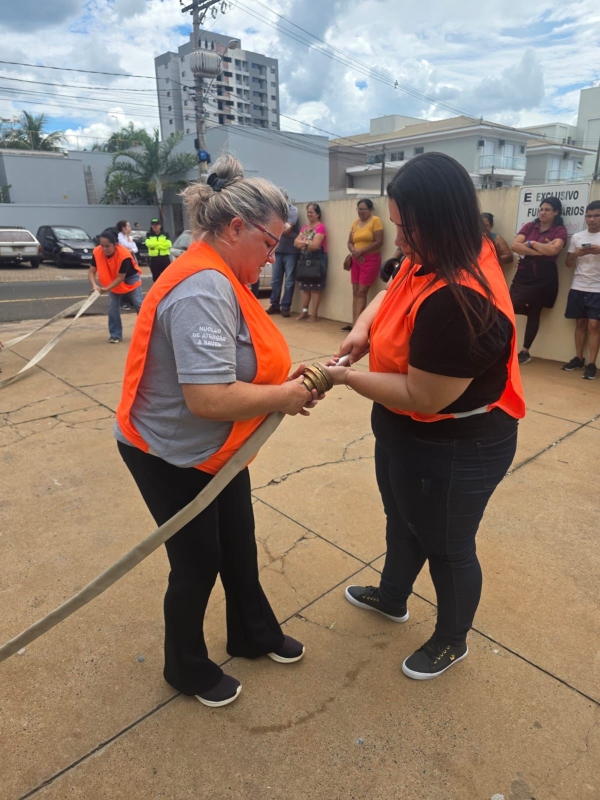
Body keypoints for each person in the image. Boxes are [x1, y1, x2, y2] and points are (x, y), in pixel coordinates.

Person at [114, 156, 321, 708]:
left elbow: (238, 361)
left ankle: (252, 633)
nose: (273, 256)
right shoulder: (203, 286)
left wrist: (283, 381)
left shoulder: (224, 273)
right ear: (235, 228)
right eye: (270, 243)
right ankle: (184, 667)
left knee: (238, 545)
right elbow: (207, 398)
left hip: (217, 449)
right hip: (169, 453)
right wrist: (283, 397)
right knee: (197, 563)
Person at [322, 152, 525, 681]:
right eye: (397, 225)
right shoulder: (433, 252)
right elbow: (390, 290)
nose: (400, 240)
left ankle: (451, 640)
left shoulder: (463, 303)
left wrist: (344, 377)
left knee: (448, 546)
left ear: (441, 221)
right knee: (403, 521)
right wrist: (362, 330)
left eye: (407, 229)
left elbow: (424, 394)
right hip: (403, 431)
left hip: (458, 444)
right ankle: (392, 596)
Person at [510, 198, 567, 365]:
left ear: (556, 212)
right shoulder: (530, 226)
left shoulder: (559, 230)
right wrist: (541, 250)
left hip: (545, 275)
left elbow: (554, 250)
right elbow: (515, 246)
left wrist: (531, 243)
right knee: (510, 304)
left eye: (547, 209)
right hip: (525, 272)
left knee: (535, 312)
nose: (542, 212)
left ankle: (525, 351)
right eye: (541, 209)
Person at [562, 200, 600, 380]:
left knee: (594, 325)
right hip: (578, 286)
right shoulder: (577, 237)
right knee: (580, 323)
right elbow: (568, 264)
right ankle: (579, 358)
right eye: (589, 216)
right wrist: (576, 254)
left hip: (597, 288)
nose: (592, 219)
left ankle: (592, 364)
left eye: (596, 216)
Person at [88, 228, 143, 343]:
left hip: (129, 278)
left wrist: (105, 289)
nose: (104, 249)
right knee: (112, 306)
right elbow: (91, 272)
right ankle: (115, 334)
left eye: (107, 246)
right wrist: (94, 285)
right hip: (112, 279)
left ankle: (146, 332)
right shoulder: (97, 252)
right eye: (102, 245)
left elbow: (120, 278)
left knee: (138, 303)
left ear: (115, 244)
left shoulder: (124, 255)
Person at [341, 199, 384, 331]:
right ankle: (354, 322)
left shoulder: (375, 221)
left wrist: (361, 251)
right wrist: (354, 251)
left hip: (369, 260)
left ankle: (358, 326)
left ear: (370, 210)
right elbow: (350, 241)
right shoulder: (355, 222)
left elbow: (379, 241)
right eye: (359, 209)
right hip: (356, 260)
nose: (361, 212)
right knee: (355, 291)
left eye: (364, 209)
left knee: (362, 291)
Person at [266, 189, 300, 318]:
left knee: (289, 280)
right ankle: (274, 305)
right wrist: (280, 230)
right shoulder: (274, 210)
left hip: (291, 251)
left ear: (286, 198)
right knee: (275, 280)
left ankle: (285, 307)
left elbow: (288, 229)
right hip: (278, 250)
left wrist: (276, 231)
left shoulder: (292, 210)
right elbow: (270, 227)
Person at [295, 203, 327, 322]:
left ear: (318, 214)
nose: (309, 214)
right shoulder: (305, 228)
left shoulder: (320, 227)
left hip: (317, 259)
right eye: (308, 212)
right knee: (305, 287)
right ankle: (304, 311)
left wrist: (303, 243)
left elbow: (316, 245)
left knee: (316, 288)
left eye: (311, 212)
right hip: (305, 258)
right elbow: (295, 243)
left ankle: (314, 314)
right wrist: (308, 243)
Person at [116, 219, 139, 311]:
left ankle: (131, 301)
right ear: (123, 228)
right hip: (122, 260)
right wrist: (130, 246)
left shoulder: (128, 236)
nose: (130, 228)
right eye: (128, 226)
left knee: (132, 280)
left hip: (131, 260)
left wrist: (130, 249)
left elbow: (135, 248)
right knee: (124, 281)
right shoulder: (119, 236)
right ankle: (123, 302)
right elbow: (125, 245)